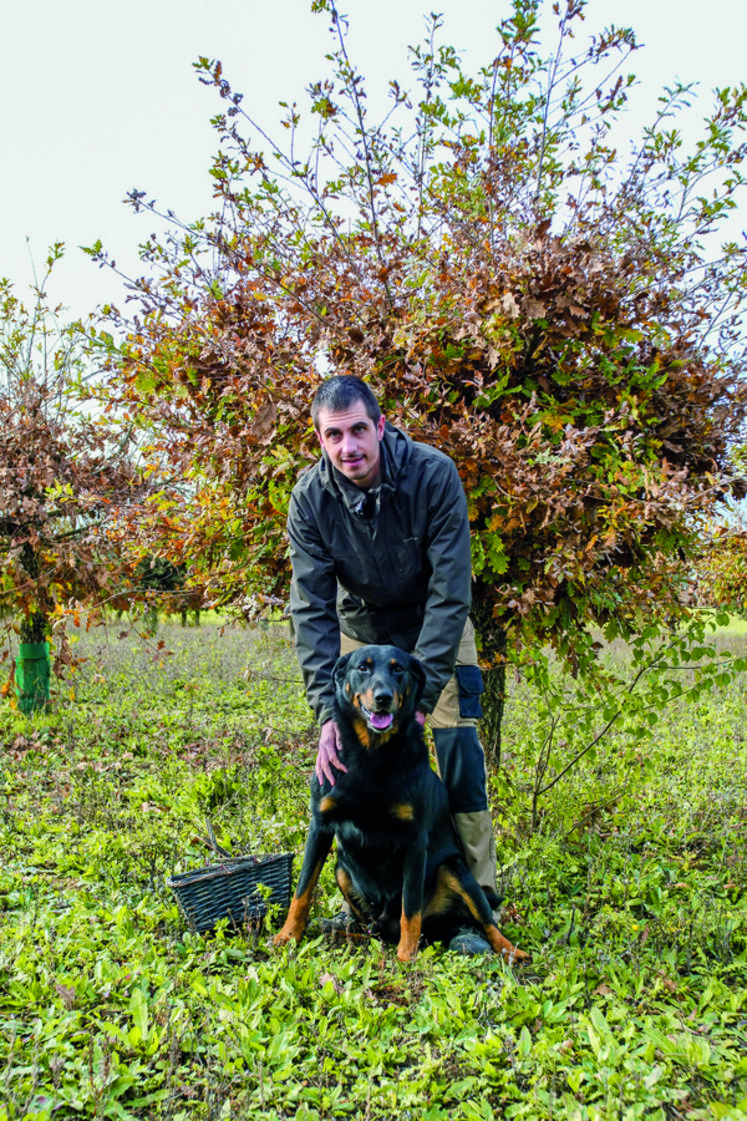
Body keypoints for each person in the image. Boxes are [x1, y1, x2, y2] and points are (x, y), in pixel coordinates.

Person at [287, 374, 498, 954]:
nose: (348, 447)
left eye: (358, 430)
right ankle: (367, 893)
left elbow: (451, 592)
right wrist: (325, 710)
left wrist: (421, 699)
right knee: (344, 757)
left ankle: (475, 903)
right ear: (320, 440)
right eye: (334, 436)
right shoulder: (309, 499)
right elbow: (310, 609)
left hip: (435, 627)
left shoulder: (433, 474)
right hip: (363, 634)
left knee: (458, 752)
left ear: (380, 426)